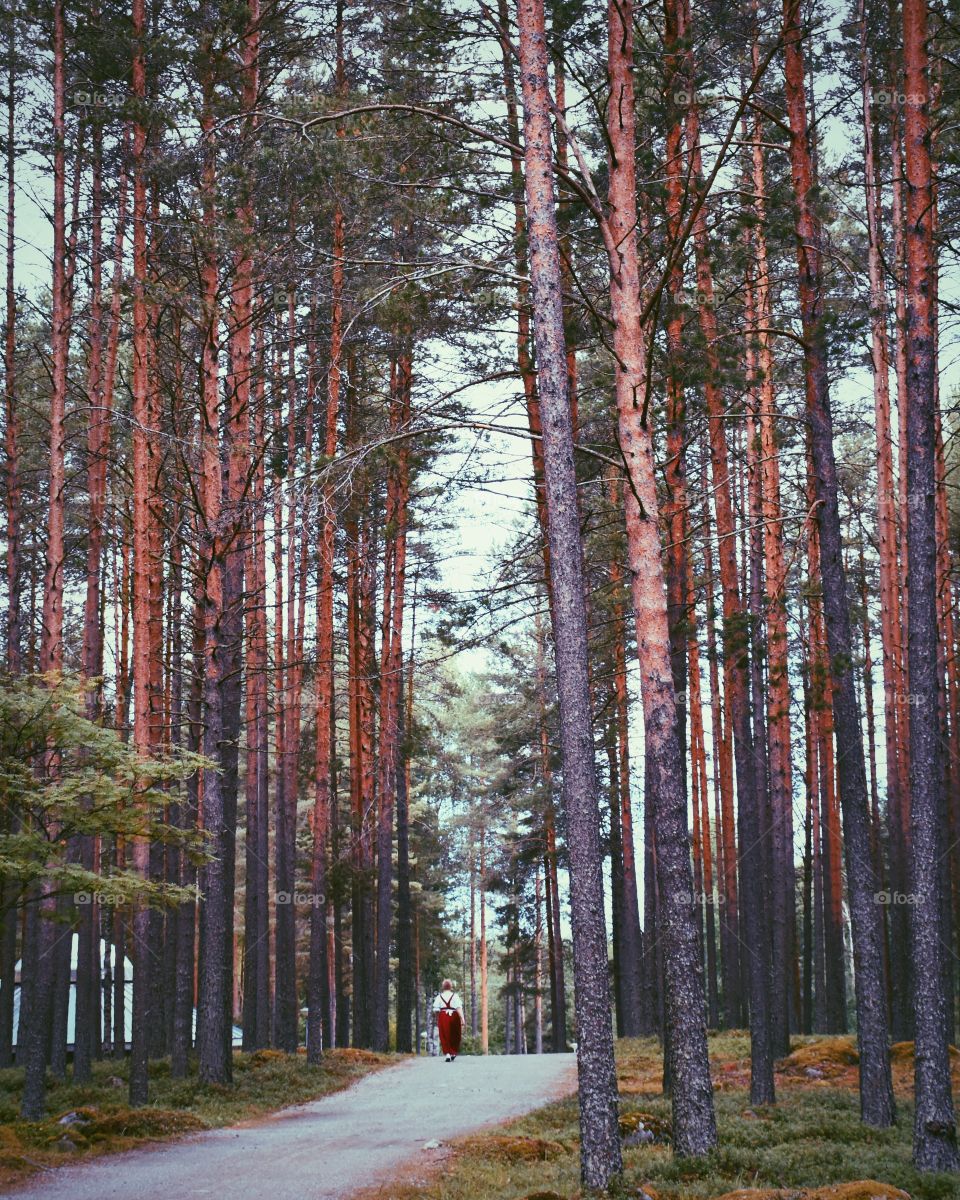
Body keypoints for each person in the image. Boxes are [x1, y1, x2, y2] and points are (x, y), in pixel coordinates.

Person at [432, 978, 465, 1062]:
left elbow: (436, 1009)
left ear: (443, 987)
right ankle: (453, 1052)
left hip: (443, 1016)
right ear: (451, 987)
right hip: (454, 1015)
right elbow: (458, 1008)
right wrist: (462, 1018)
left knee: (444, 1035)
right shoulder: (455, 996)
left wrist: (437, 1018)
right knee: (455, 1034)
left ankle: (447, 1054)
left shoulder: (439, 997)